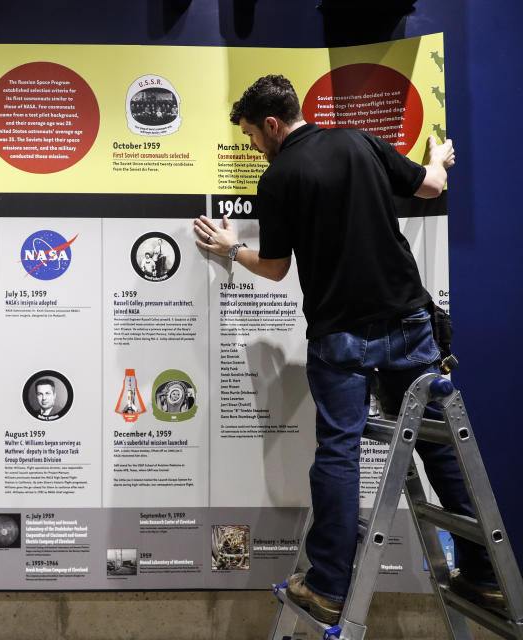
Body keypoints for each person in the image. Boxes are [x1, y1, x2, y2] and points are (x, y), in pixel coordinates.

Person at [195, 74, 499, 623]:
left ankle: (329, 587)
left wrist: (229, 246)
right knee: (437, 445)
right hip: (408, 322)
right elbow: (430, 186)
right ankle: (484, 576)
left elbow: (276, 266)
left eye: (251, 136)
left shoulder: (279, 176)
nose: (253, 147)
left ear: (271, 124)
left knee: (338, 453)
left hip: (339, 337)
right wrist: (439, 157)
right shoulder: (359, 140)